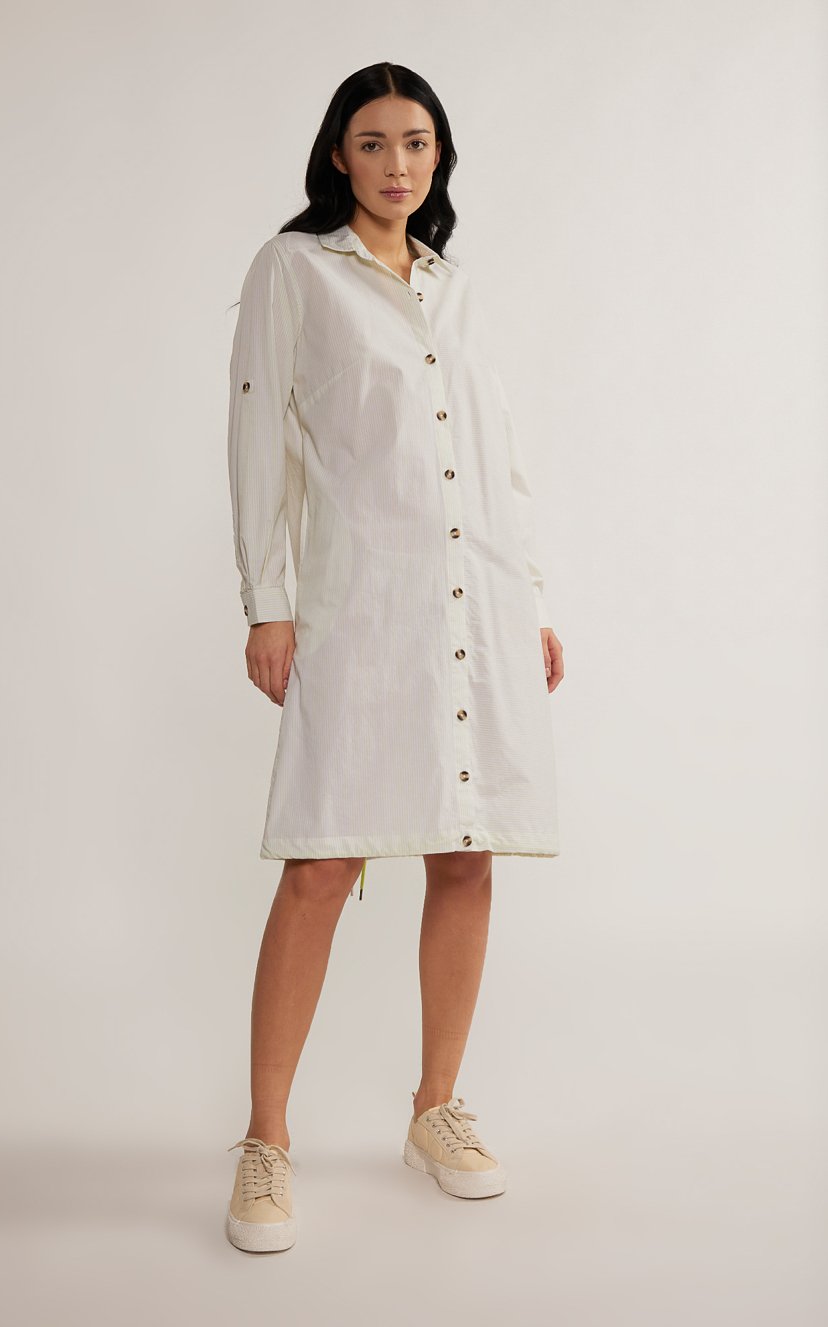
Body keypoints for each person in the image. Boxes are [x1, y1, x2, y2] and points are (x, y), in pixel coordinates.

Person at [223, 61, 565, 1253]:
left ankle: (435, 1108)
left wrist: (529, 600)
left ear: (439, 155)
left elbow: (495, 455)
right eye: (373, 143)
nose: (398, 163)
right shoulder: (294, 271)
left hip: (477, 605)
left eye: (416, 142)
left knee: (466, 854)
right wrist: (268, 603)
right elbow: (257, 435)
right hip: (360, 608)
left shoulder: (454, 286)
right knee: (321, 865)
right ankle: (266, 1139)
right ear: (338, 155)